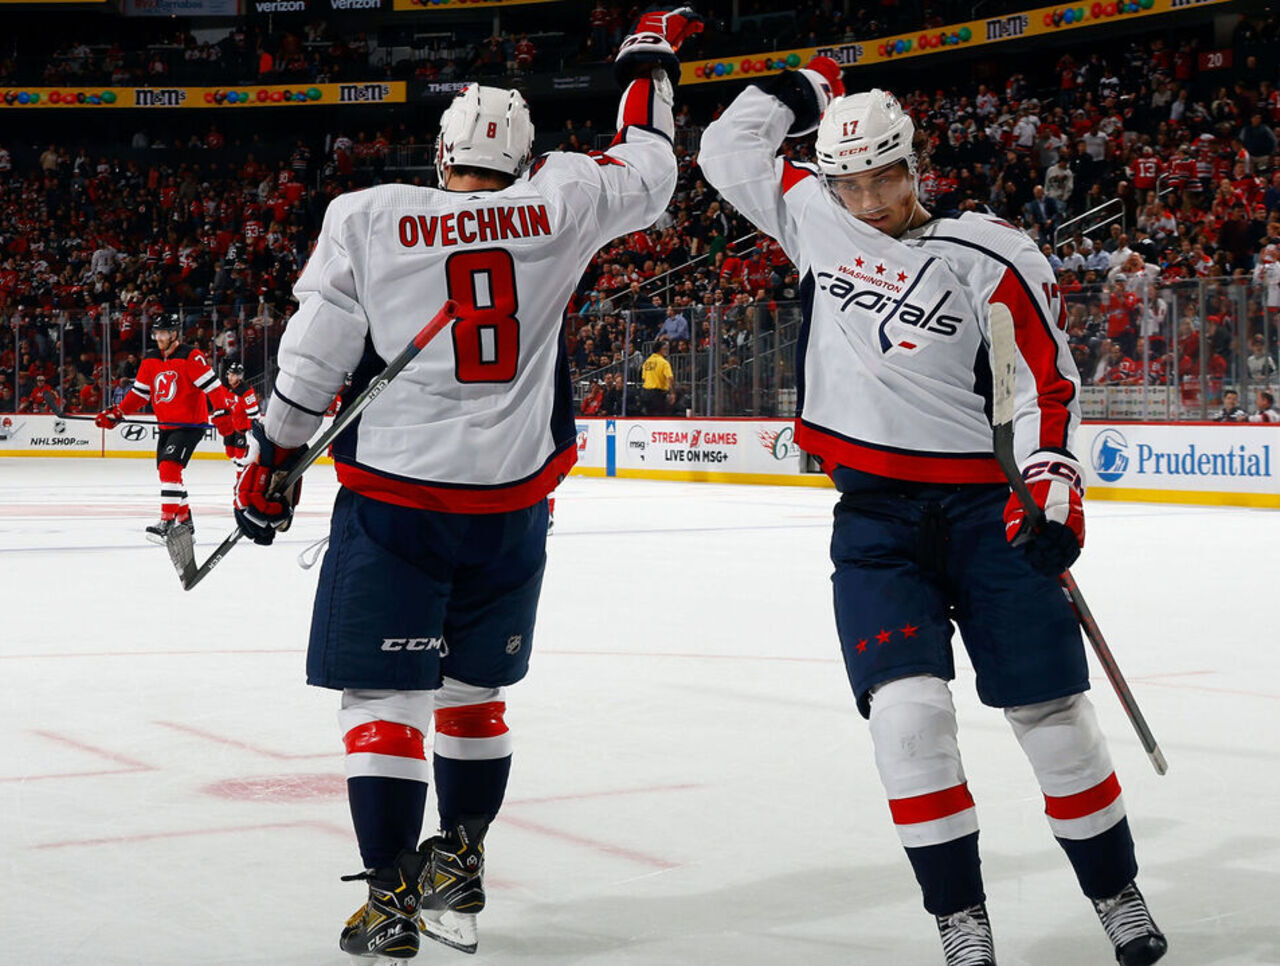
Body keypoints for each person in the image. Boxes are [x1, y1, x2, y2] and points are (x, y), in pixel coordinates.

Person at [229, 7, 695, 961]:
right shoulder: (563, 199)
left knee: (382, 701)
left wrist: (272, 462)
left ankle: (393, 899)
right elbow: (649, 161)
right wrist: (649, 54)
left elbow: (315, 358)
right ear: (524, 158)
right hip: (513, 504)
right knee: (472, 695)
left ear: (441, 153)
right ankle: (463, 861)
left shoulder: (366, 216)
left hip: (398, 502)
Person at [700, 67, 1167, 966]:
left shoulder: (992, 252)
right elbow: (727, 150)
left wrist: (1054, 494)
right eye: (851, 183)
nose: (870, 202)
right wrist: (803, 84)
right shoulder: (814, 219)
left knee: (1053, 715)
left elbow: (1045, 383)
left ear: (916, 164)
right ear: (829, 180)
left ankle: (1116, 895)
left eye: (886, 178)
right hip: (874, 518)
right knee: (907, 718)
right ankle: (961, 920)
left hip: (986, 510)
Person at [95, 315, 236, 542]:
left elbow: (214, 386)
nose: (159, 337)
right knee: (167, 472)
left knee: (170, 468)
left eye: (163, 333)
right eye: (157, 333)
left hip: (190, 425)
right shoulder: (150, 359)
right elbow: (140, 394)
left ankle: (167, 522)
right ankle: (185, 522)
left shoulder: (191, 356)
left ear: (173, 334)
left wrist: (221, 411)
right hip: (167, 425)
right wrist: (119, 412)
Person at [221, 361, 259, 463]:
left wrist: (250, 430)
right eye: (229, 374)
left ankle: (241, 475)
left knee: (240, 455)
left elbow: (254, 413)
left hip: (242, 429)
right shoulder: (225, 386)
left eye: (233, 375)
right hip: (230, 426)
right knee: (229, 452)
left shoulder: (246, 391)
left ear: (239, 376)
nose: (230, 377)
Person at [640, 338, 672, 414]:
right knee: (660, 416)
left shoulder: (647, 362)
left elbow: (644, 377)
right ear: (659, 350)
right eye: (664, 349)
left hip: (646, 392)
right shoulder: (664, 362)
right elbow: (670, 377)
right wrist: (672, 392)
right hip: (657, 394)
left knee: (649, 416)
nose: (666, 351)